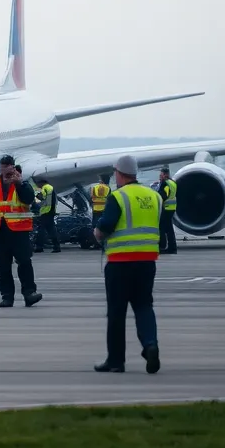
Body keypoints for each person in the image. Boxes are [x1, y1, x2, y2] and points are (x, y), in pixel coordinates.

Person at [93, 155, 161, 374]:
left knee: (116, 312)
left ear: (118, 173)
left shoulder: (118, 196)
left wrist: (97, 233)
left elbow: (106, 226)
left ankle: (116, 361)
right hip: (147, 261)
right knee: (144, 306)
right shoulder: (154, 196)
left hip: (120, 262)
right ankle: (150, 344)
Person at [0, 155, 41, 308]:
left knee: (24, 262)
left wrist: (19, 184)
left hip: (19, 231)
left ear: (13, 167)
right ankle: (7, 297)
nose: (6, 171)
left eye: (9, 167)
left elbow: (29, 199)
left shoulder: (22, 182)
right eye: (3, 167)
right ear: (0, 168)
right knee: (3, 267)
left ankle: (29, 294)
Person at [33, 177, 59, 253]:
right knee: (51, 230)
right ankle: (56, 247)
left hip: (46, 212)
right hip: (51, 211)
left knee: (41, 230)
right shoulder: (50, 188)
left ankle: (39, 247)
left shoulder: (45, 188)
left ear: (41, 183)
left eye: (38, 184)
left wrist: (36, 194)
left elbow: (40, 199)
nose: (37, 185)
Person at [156, 167, 178, 255]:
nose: (160, 176)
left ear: (165, 175)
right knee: (169, 229)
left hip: (166, 208)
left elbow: (163, 195)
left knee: (161, 227)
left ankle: (162, 246)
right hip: (172, 208)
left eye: (161, 175)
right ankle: (172, 248)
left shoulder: (165, 183)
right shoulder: (173, 183)